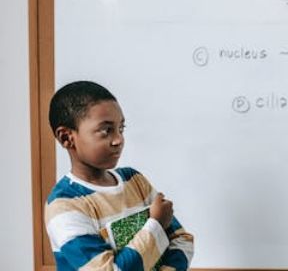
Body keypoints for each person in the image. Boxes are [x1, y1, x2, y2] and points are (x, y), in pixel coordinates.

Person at [44, 81, 194, 270]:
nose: (118, 139)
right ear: (66, 137)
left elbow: (182, 240)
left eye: (120, 129)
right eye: (106, 130)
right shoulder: (64, 205)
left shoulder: (134, 180)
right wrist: (156, 224)